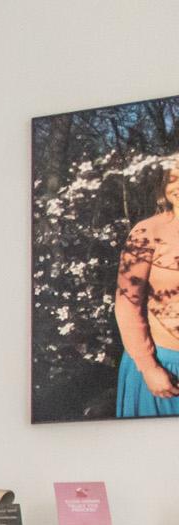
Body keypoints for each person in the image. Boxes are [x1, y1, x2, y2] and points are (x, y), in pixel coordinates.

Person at [114, 157, 179, 417]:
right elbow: (127, 304)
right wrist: (149, 367)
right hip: (163, 366)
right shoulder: (147, 233)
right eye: (173, 178)